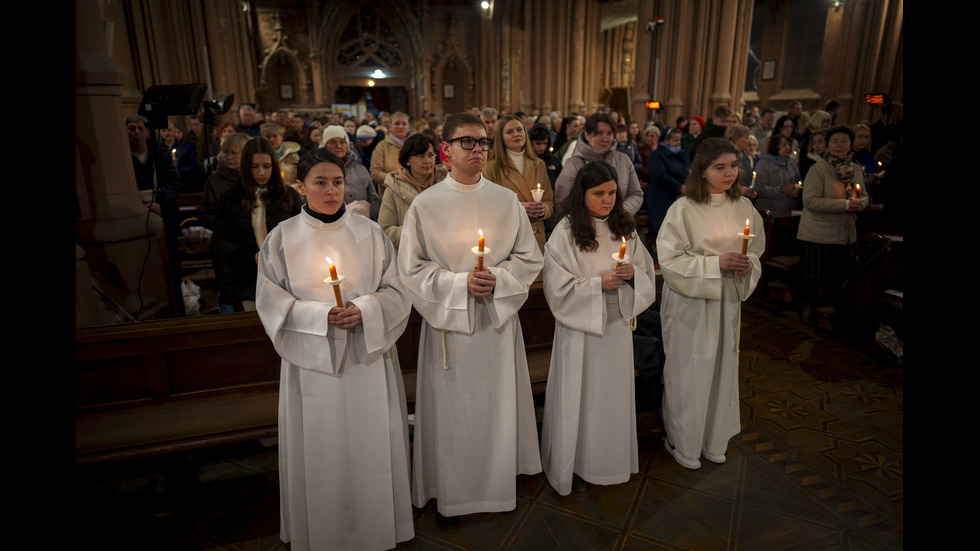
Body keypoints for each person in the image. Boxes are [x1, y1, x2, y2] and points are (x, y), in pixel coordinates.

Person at [255, 148, 414, 551]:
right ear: (300, 186)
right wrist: (319, 315)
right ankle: (323, 532)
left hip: (366, 359)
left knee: (371, 449)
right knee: (322, 450)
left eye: (338, 182)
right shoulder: (282, 238)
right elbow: (271, 301)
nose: (331, 191)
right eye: (320, 182)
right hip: (314, 366)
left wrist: (365, 309)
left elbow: (396, 291)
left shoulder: (371, 233)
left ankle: (377, 529)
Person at [399, 113, 543, 526]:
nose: (478, 149)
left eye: (482, 142)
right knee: (453, 414)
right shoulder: (425, 205)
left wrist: (496, 278)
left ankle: (496, 488)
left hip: (495, 324)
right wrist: (460, 283)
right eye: (468, 142)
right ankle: (452, 493)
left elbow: (529, 258)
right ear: (446, 149)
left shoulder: (505, 201)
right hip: (450, 328)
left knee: (495, 409)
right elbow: (410, 270)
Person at [540, 160, 657, 496]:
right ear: (581, 194)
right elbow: (556, 287)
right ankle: (572, 464)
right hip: (580, 329)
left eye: (611, 192)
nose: (607, 199)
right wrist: (597, 285)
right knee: (579, 397)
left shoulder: (626, 228)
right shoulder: (565, 232)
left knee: (611, 398)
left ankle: (610, 462)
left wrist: (632, 275)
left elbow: (646, 272)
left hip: (617, 326)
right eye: (598, 193)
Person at [656, 137, 765, 470]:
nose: (729, 173)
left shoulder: (744, 207)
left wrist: (749, 265)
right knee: (689, 371)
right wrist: (714, 264)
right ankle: (682, 441)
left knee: (720, 370)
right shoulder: (684, 209)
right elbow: (669, 260)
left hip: (727, 301)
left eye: (734, 165)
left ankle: (713, 438)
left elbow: (756, 249)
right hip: (691, 304)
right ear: (702, 171)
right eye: (720, 167)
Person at [212, 138, 301, 312]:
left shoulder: (288, 195)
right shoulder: (230, 198)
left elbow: (302, 236)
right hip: (248, 279)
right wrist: (248, 255)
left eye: (267, 166)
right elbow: (219, 242)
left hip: (286, 278)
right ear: (246, 167)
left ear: (274, 166)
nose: (261, 172)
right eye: (255, 167)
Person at [796, 125, 869, 323]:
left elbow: (863, 196)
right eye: (835, 141)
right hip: (818, 231)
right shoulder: (818, 168)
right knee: (814, 274)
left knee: (837, 276)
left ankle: (830, 310)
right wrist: (845, 204)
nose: (839, 145)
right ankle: (807, 306)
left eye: (844, 141)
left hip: (844, 231)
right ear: (828, 144)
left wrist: (860, 204)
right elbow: (810, 201)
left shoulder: (854, 168)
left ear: (850, 144)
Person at [483, 114, 554, 252]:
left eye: (519, 130)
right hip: (509, 237)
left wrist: (543, 209)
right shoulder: (491, 168)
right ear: (501, 138)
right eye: (510, 132)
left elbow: (549, 201)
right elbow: (488, 206)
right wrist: (520, 208)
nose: (516, 134)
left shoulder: (539, 164)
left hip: (536, 235)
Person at [554, 113, 643, 216]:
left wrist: (621, 213)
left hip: (618, 225)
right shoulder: (573, 164)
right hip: (584, 227)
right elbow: (562, 203)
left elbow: (636, 193)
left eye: (609, 133)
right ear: (587, 135)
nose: (605, 138)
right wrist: (591, 219)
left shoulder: (623, 161)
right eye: (599, 133)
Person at [378, 133, 446, 251]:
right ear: (407, 160)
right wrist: (417, 232)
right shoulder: (393, 188)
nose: (427, 161)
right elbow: (385, 230)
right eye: (420, 156)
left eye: (431, 155)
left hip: (444, 251)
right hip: (412, 255)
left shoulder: (446, 182)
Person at [321, 125, 381, 220]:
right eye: (332, 142)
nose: (338, 146)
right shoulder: (318, 172)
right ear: (325, 146)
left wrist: (369, 217)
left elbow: (373, 198)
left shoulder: (361, 169)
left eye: (342, 142)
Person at [645, 127, 691, 242]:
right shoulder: (657, 155)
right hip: (661, 198)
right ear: (666, 141)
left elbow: (689, 171)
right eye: (675, 140)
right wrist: (680, 187)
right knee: (664, 231)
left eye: (679, 140)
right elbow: (659, 175)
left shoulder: (682, 154)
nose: (678, 143)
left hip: (680, 197)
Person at [199, 132, 250, 229]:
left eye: (234, 153)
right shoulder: (213, 181)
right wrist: (225, 220)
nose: (229, 157)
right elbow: (204, 216)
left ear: (246, 154)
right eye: (226, 152)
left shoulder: (256, 178)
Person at [754, 134, 802, 217]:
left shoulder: (791, 163)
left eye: (789, 145)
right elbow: (761, 188)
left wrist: (796, 188)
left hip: (788, 211)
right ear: (775, 146)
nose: (788, 147)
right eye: (784, 145)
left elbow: (798, 181)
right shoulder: (763, 164)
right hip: (769, 211)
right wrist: (782, 191)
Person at [370, 111, 412, 195]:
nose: (401, 127)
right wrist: (395, 180)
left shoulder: (416, 144)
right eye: (397, 124)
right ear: (391, 126)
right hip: (390, 193)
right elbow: (375, 172)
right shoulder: (382, 146)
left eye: (404, 124)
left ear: (408, 126)